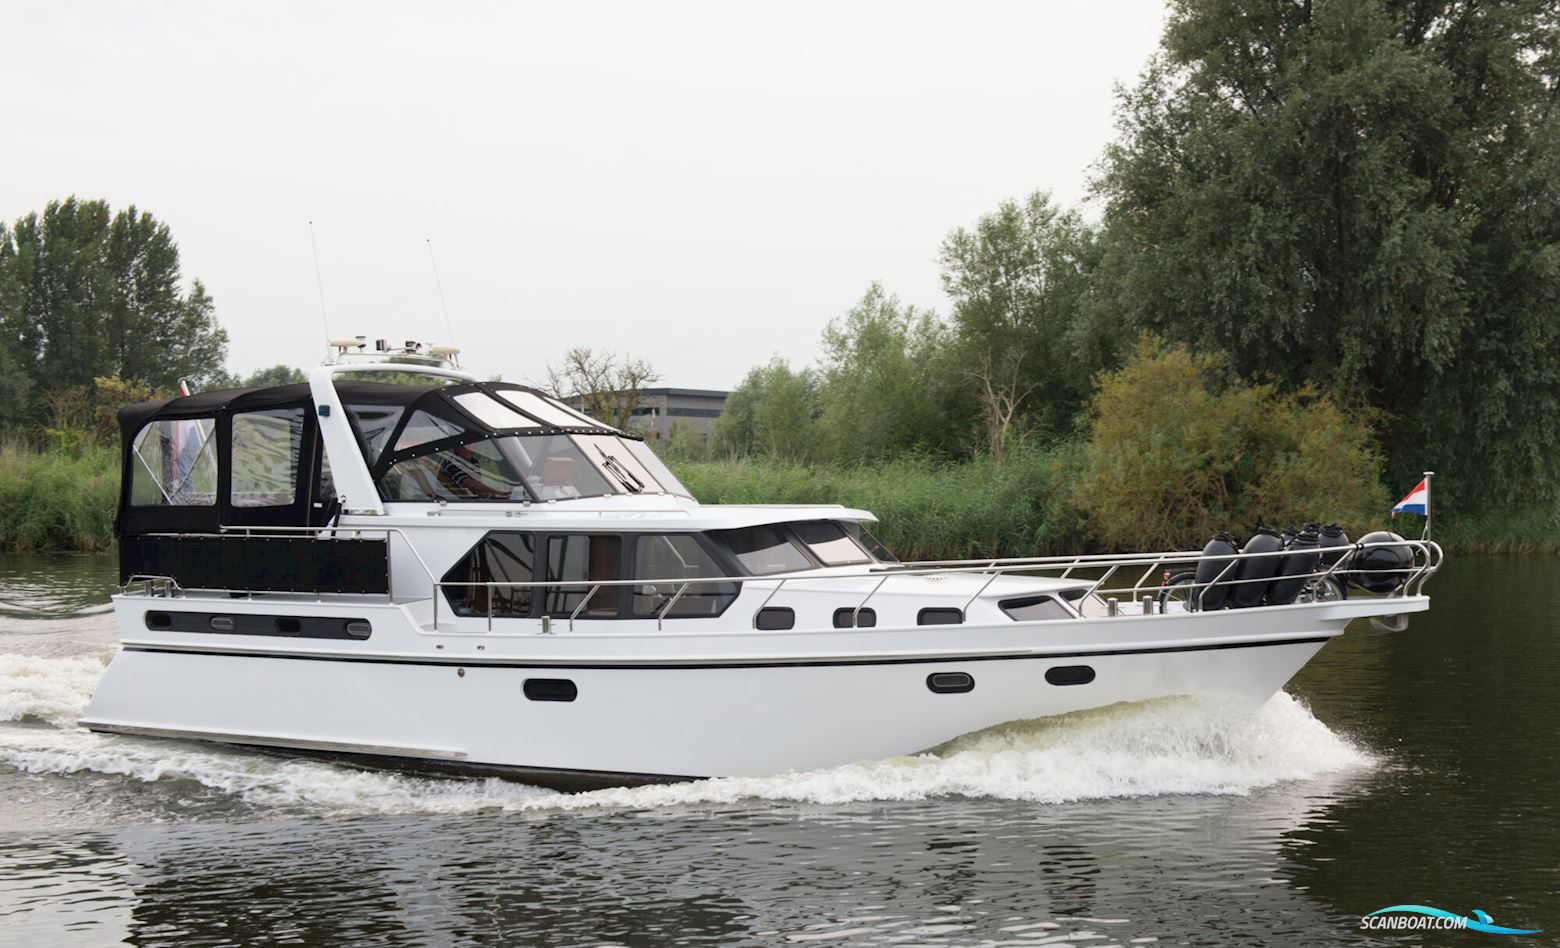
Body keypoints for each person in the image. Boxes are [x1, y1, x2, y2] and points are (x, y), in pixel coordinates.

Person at [436, 443, 511, 499]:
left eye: (471, 446)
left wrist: (494, 495)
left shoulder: (474, 462)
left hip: (471, 500)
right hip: (452, 502)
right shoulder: (451, 462)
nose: (468, 449)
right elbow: (470, 483)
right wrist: (496, 492)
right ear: (456, 448)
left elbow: (477, 487)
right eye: (464, 446)